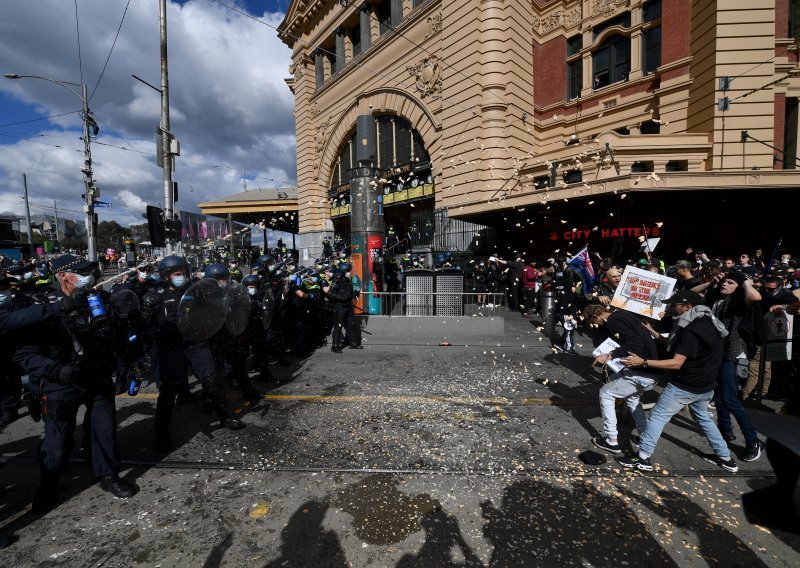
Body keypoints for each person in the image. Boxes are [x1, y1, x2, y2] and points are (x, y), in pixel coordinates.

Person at [12, 254, 137, 513]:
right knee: (57, 443)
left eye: (89, 272)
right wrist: (56, 369)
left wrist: (131, 361)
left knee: (103, 430)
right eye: (79, 272)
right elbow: (24, 354)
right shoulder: (42, 307)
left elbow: (117, 336)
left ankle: (108, 475)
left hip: (97, 376)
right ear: (62, 276)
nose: (87, 277)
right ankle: (48, 485)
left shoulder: (99, 301)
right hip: (60, 382)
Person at [615, 290, 739, 473]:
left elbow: (676, 362)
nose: (671, 308)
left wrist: (643, 362)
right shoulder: (708, 322)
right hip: (706, 384)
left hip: (686, 385)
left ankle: (643, 458)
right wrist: (653, 332)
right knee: (704, 419)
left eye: (674, 305)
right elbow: (679, 349)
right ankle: (726, 458)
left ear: (688, 306)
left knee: (657, 416)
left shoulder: (691, 331)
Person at [142, 256, 243, 454]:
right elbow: (145, 326)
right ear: (166, 275)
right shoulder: (154, 297)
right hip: (171, 347)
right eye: (177, 274)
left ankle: (224, 415)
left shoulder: (196, 290)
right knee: (169, 390)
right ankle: (162, 434)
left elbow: (214, 309)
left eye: (184, 273)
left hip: (195, 343)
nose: (182, 277)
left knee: (212, 378)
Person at [583, 303, 662, 453]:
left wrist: (609, 355)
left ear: (596, 316)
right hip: (649, 369)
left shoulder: (613, 321)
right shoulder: (622, 314)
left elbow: (635, 342)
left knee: (606, 393)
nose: (595, 325)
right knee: (631, 398)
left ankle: (611, 440)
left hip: (643, 371)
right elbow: (635, 339)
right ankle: (644, 435)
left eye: (593, 322)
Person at [704, 270, 765, 461]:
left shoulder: (740, 302)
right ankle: (725, 432)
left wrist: (746, 282)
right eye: (725, 281)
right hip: (718, 354)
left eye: (730, 282)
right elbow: (692, 291)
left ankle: (753, 440)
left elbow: (755, 296)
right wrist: (714, 281)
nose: (725, 284)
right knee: (719, 396)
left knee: (730, 399)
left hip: (736, 356)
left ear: (738, 287)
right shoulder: (716, 299)